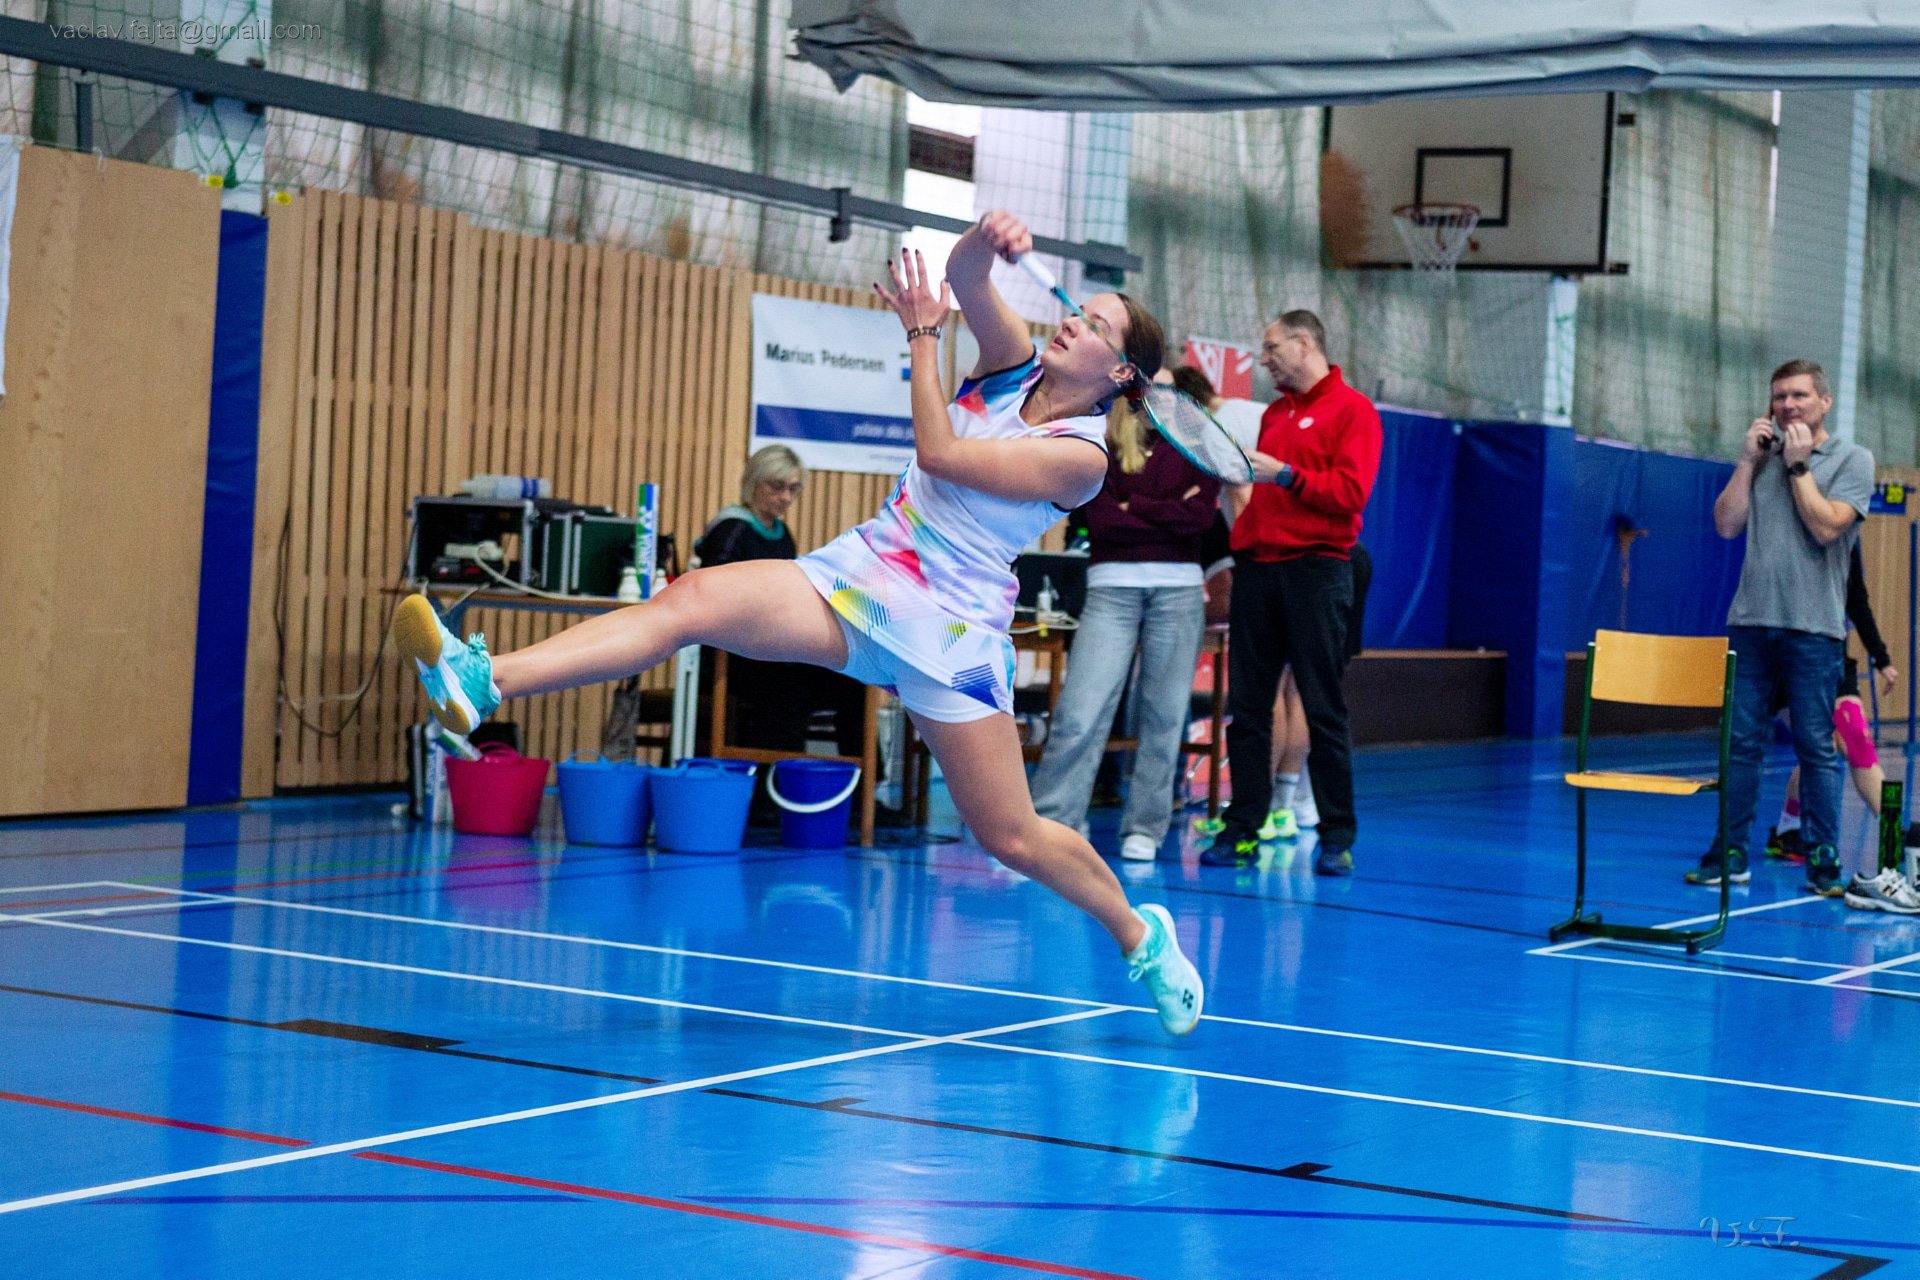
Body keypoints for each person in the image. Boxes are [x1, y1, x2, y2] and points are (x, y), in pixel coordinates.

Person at [391, 211, 1204, 1035]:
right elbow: (964, 277)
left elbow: (941, 454)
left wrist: (924, 339)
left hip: (951, 632)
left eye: (1095, 324)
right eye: (1076, 308)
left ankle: (1142, 938)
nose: (1072, 321)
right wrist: (987, 239)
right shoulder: (1013, 365)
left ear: (1121, 373)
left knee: (1013, 835)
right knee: (688, 601)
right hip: (864, 576)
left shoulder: (1081, 458)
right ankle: (483, 680)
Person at [1200, 311, 1381, 875]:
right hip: (1259, 571)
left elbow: (1350, 493)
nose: (1265, 359)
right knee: (1248, 708)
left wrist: (1285, 474)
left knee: (1322, 706)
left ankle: (1336, 836)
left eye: (1272, 347)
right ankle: (1242, 829)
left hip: (1318, 572)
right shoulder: (1276, 413)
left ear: (1304, 344)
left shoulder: (1354, 411)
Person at [1687, 359, 1875, 898]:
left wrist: (1798, 468)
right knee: (1740, 745)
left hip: (1814, 630)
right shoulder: (1762, 457)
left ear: (1824, 402)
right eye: (1779, 397)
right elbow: (1726, 524)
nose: (1787, 405)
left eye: (1799, 395)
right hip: (1751, 623)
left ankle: (1822, 857)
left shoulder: (1853, 460)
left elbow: (1826, 528)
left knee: (1816, 747)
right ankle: (1729, 851)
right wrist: (1748, 462)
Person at [1028, 366, 1221, 862]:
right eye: (1149, 386)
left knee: (1164, 715)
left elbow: (1198, 520)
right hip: (1110, 588)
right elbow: (1101, 521)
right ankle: (1053, 822)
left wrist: (1134, 505)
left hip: (1179, 591)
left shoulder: (1199, 447)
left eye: (1168, 387)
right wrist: (1163, 509)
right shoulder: (1104, 442)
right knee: (1080, 711)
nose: (1159, 395)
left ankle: (1145, 829)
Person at [1756, 543, 1913, 912]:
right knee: (1820, 746)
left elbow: (1856, 598)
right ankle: (1788, 829)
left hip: (1830, 654)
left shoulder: (1847, 532)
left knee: (1854, 738)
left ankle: (1894, 836)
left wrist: (1882, 657)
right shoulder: (1781, 531)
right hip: (1785, 656)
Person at [690, 444, 867, 771]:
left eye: (793, 489)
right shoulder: (732, 530)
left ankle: (863, 784)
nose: (786, 497)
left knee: (853, 679)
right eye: (777, 487)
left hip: (772, 649)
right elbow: (712, 596)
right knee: (788, 691)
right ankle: (771, 785)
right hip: (731, 654)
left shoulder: (782, 534)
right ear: (754, 483)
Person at [1260, 542, 1372, 841]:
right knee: (1303, 688)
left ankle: (1262, 809)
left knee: (1274, 686)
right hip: (1343, 560)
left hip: (1301, 563)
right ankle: (1284, 807)